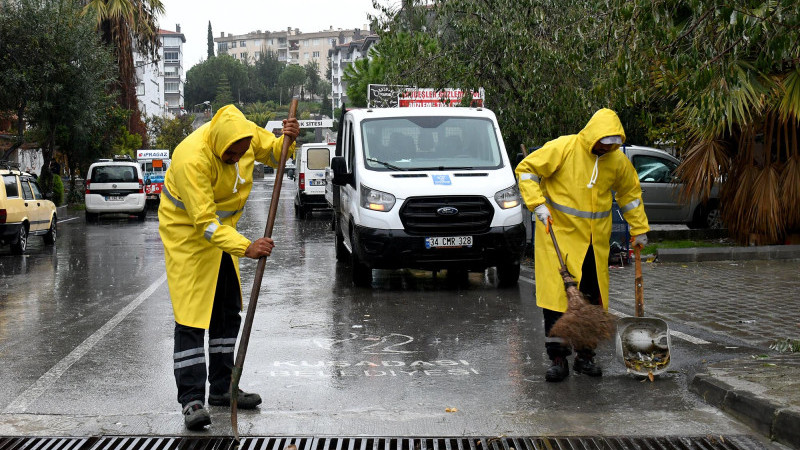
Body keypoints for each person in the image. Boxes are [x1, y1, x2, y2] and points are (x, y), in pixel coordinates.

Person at [158, 104, 299, 429]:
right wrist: (246, 247)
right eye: (230, 155)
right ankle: (192, 401)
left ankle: (223, 390)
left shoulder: (244, 135)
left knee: (226, 310)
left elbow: (276, 155)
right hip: (187, 235)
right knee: (191, 317)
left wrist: (287, 140)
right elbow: (205, 223)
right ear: (218, 147)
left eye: (241, 152)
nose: (237, 158)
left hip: (223, 235)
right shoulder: (191, 157)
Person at [515, 108, 649, 382]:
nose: (608, 148)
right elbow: (527, 170)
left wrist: (639, 229)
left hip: (594, 245)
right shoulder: (563, 148)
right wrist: (537, 204)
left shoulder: (616, 160)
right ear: (593, 136)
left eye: (613, 144)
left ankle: (585, 357)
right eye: (604, 142)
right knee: (556, 302)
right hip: (558, 238)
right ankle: (558, 359)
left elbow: (630, 194)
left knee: (590, 302)